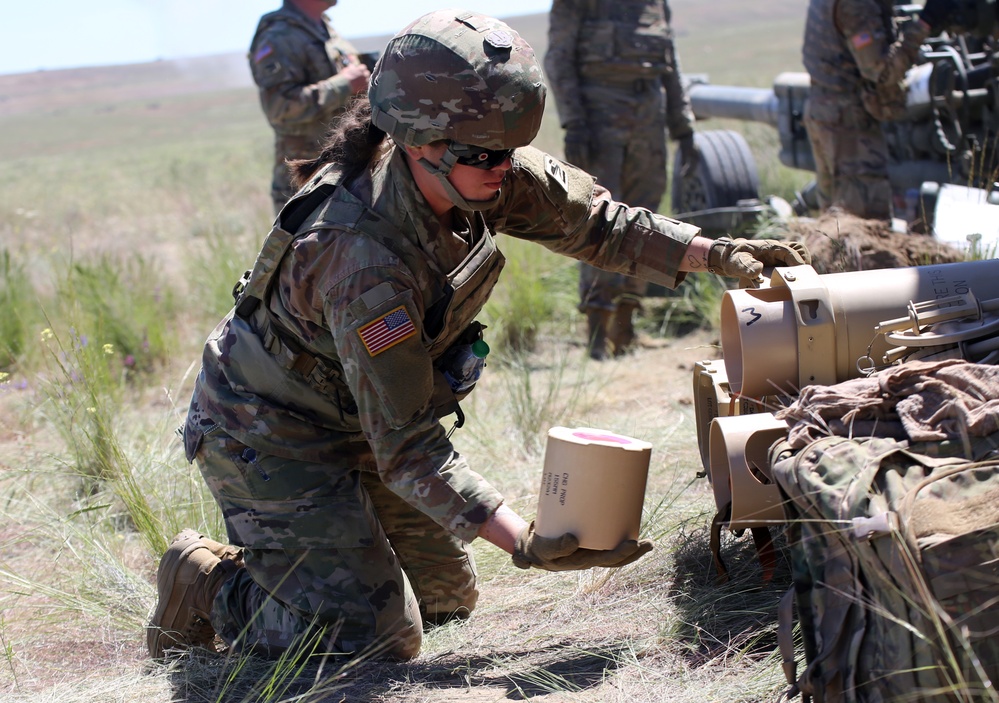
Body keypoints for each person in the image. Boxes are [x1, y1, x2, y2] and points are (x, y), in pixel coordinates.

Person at [147, 10, 810, 662]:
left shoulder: (471, 163)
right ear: (418, 142)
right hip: (268, 431)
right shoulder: (361, 256)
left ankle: (335, 554)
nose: (502, 168)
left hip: (356, 417)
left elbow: (597, 224)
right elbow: (408, 446)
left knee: (444, 600)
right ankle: (211, 582)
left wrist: (715, 253)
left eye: (507, 150)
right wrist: (524, 539)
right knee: (375, 636)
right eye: (483, 155)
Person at [544, 0, 699, 360]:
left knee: (646, 220)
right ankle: (597, 333)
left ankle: (626, 328)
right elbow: (559, 59)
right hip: (599, 121)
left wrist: (683, 126)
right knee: (598, 220)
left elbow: (669, 63)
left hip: (649, 117)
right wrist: (574, 122)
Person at [801, 0, 959, 222]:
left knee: (835, 223)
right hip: (848, 125)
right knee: (863, 222)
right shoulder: (858, 5)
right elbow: (882, 70)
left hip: (828, 115)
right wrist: (924, 25)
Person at [249, 0, 370, 213]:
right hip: (308, 182)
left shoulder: (323, 29)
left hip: (346, 174)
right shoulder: (279, 36)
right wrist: (344, 84)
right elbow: (279, 108)